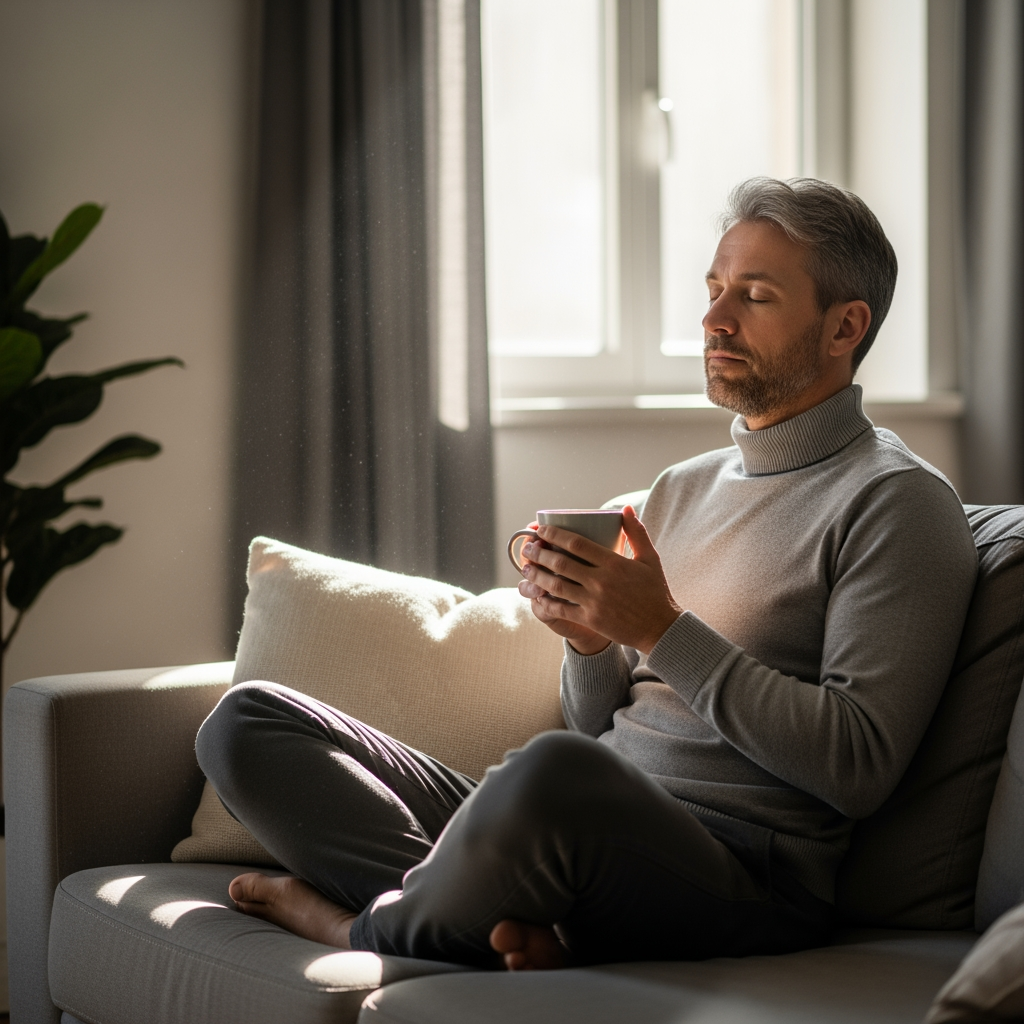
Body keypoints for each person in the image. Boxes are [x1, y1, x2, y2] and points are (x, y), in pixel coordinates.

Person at [196, 177, 977, 971]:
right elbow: (595, 723)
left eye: (755, 296)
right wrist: (590, 644)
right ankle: (477, 909)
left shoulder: (897, 504)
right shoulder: (681, 487)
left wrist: (660, 630)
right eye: (713, 290)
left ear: (845, 326)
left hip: (742, 878)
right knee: (249, 723)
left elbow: (858, 768)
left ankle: (358, 929)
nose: (713, 319)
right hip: (588, 832)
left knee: (554, 774)